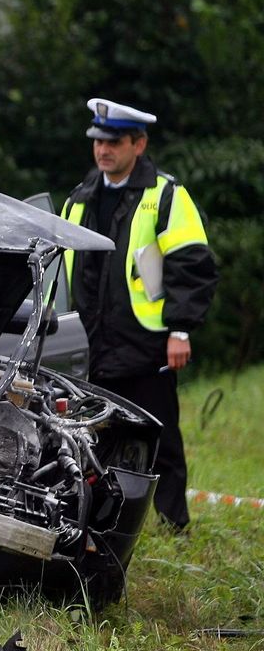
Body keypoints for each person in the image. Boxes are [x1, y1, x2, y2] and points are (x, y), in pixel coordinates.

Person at [59, 98, 218, 530]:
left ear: (139, 144)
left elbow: (192, 265)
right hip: (91, 342)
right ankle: (99, 522)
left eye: (114, 142)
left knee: (160, 435)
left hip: (147, 342)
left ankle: (172, 521)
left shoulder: (166, 195)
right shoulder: (80, 197)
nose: (103, 150)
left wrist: (180, 331)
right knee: (92, 438)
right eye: (98, 142)